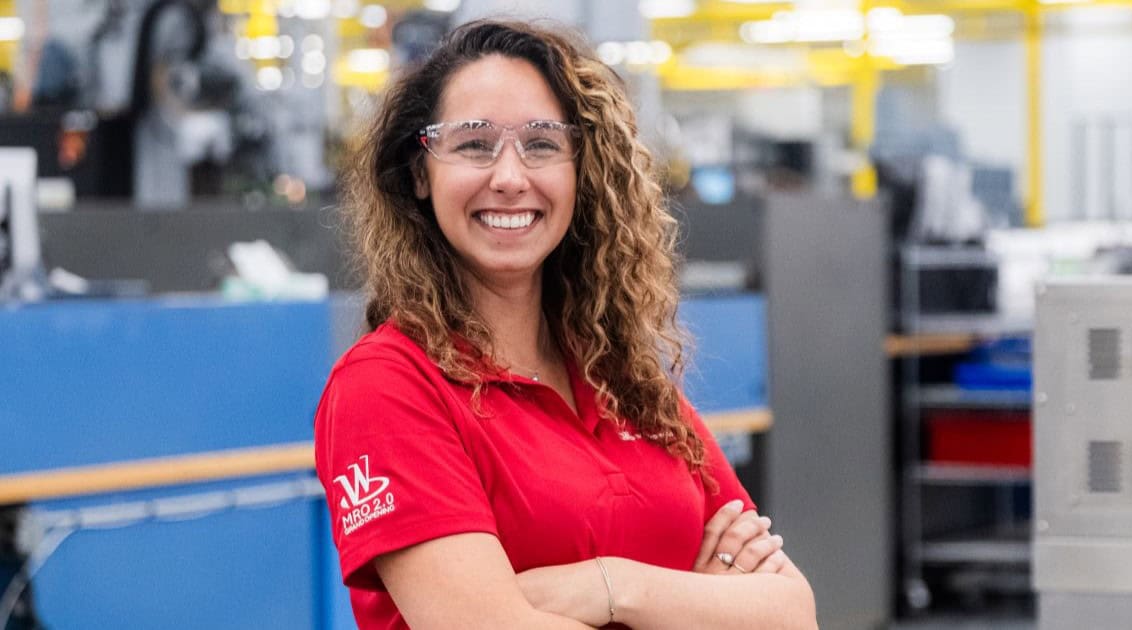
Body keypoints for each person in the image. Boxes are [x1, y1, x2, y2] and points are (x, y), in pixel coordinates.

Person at [314, 18, 818, 629]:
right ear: (420, 173)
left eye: (542, 144)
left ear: (583, 172)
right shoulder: (387, 387)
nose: (509, 177)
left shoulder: (621, 378)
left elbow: (792, 612)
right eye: (473, 144)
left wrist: (615, 587)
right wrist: (699, 605)